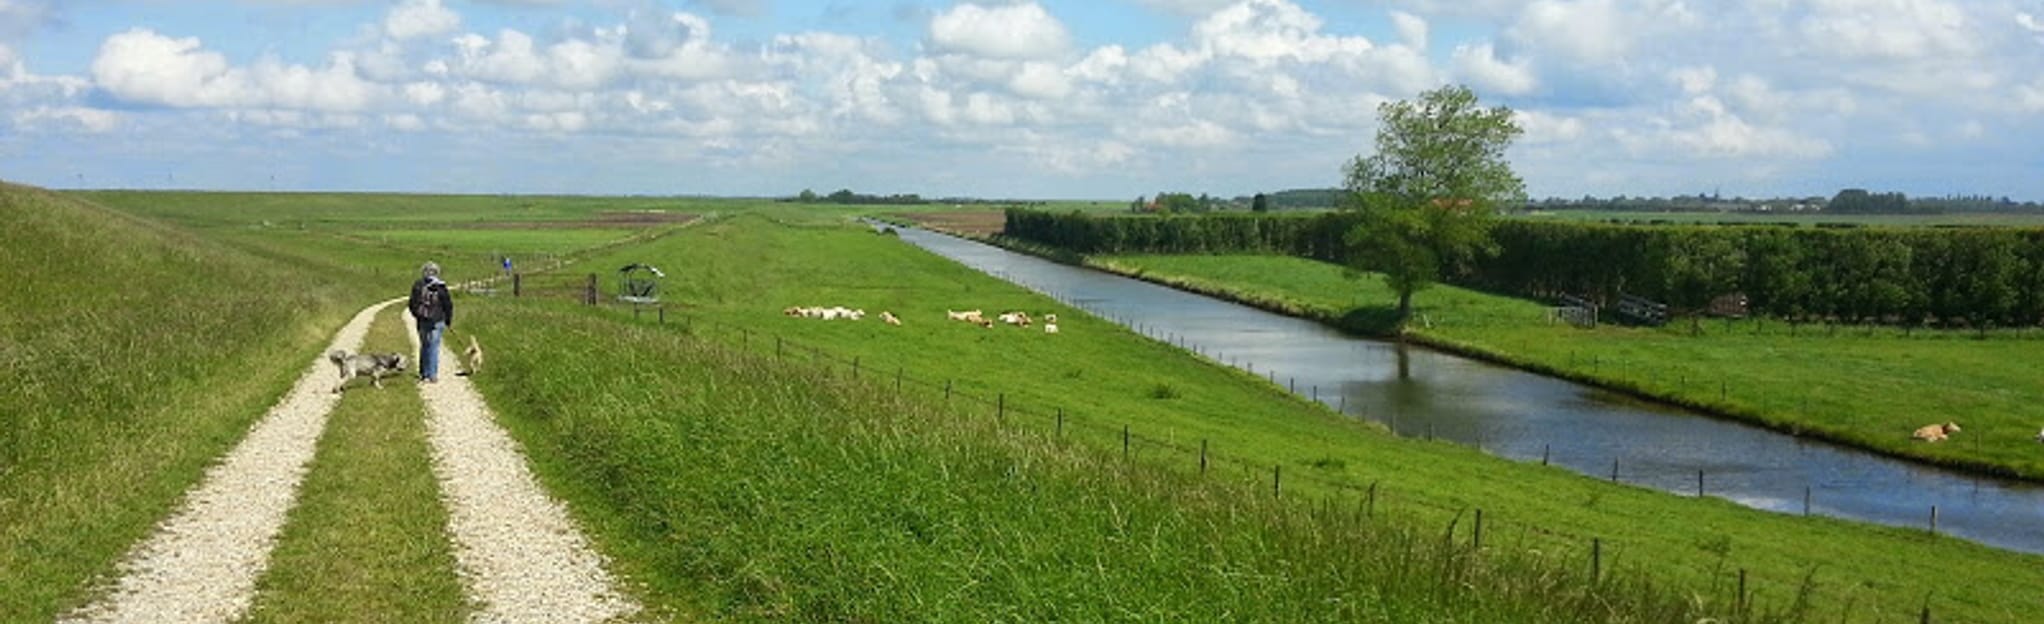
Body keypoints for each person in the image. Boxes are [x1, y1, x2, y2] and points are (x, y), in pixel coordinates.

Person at [408, 261, 455, 383]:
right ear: (437, 273)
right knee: (434, 346)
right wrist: (448, 320)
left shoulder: (418, 285)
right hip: (437, 320)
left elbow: (412, 303)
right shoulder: (441, 286)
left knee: (424, 345)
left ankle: (424, 374)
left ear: (424, 272)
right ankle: (432, 375)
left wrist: (417, 315)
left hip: (422, 320)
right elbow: (448, 305)